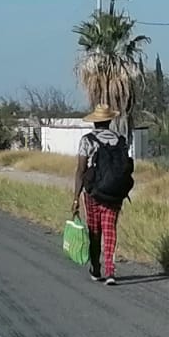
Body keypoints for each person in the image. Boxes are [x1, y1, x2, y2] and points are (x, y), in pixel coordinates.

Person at [71, 103, 134, 285]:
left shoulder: (87, 140)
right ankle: (110, 272)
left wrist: (75, 198)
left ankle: (96, 267)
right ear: (109, 121)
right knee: (110, 230)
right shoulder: (120, 140)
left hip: (93, 193)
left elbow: (81, 170)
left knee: (95, 231)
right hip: (114, 194)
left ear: (95, 122)